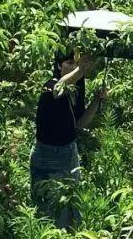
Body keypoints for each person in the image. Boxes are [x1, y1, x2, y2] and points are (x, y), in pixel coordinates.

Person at [30, 50, 108, 229]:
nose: (74, 67)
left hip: (68, 153)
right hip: (47, 155)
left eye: (76, 63)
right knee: (48, 209)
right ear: (59, 66)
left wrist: (97, 101)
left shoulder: (77, 88)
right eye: (69, 63)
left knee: (73, 207)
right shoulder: (50, 85)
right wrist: (81, 68)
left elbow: (80, 123)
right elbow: (59, 89)